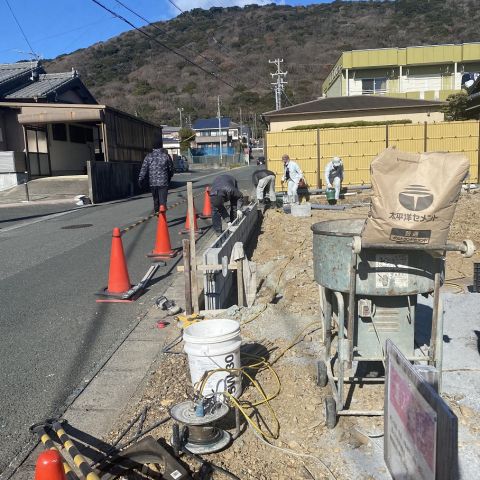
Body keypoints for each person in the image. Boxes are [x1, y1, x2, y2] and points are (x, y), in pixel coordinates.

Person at [138, 139, 174, 214]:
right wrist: (169, 177)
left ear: (153, 146)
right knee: (163, 201)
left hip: (153, 183)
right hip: (163, 182)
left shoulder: (148, 157)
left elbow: (143, 169)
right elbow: (171, 169)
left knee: (156, 200)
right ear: (161, 146)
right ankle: (162, 218)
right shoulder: (166, 156)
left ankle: (157, 215)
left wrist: (140, 179)